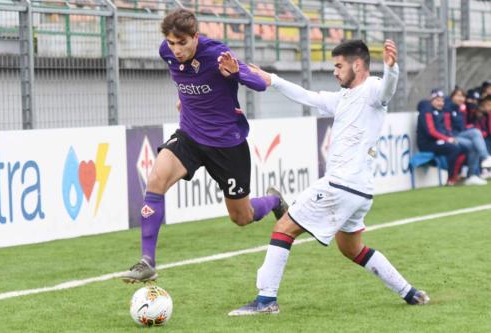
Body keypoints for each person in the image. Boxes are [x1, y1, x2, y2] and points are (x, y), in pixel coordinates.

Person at [229, 39, 430, 316]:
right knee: (352, 249)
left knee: (284, 227)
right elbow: (306, 96)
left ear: (356, 65)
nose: (334, 71)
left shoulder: (372, 89)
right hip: (359, 192)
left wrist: (391, 68)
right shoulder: (342, 98)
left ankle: (265, 301)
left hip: (340, 185)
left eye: (338, 65)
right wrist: (271, 79)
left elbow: (387, 89)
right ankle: (409, 292)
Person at [121, 9, 288, 283]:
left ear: (195, 37)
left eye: (182, 43)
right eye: (172, 43)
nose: (176, 50)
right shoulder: (166, 51)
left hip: (227, 144)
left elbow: (259, 84)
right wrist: (184, 101)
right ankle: (147, 261)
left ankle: (273, 201)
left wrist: (237, 74)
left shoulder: (217, 54)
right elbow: (187, 81)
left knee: (241, 217)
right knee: (155, 179)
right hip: (190, 136)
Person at [416, 90, 465, 186]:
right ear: (432, 100)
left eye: (442, 101)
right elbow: (431, 132)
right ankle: (450, 178)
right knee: (454, 149)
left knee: (463, 148)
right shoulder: (426, 112)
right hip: (427, 144)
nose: (440, 103)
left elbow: (444, 129)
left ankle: (456, 175)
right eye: (438, 100)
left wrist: (449, 137)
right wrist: (447, 139)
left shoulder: (439, 112)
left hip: (438, 142)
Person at [445, 87, 491, 184]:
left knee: (476, 134)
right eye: (458, 95)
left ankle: (474, 173)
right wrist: (448, 137)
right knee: (474, 140)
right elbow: (446, 126)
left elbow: (463, 126)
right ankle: (480, 165)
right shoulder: (447, 108)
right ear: (452, 96)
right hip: (451, 136)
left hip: (460, 135)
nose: (460, 98)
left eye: (462, 96)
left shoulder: (461, 109)